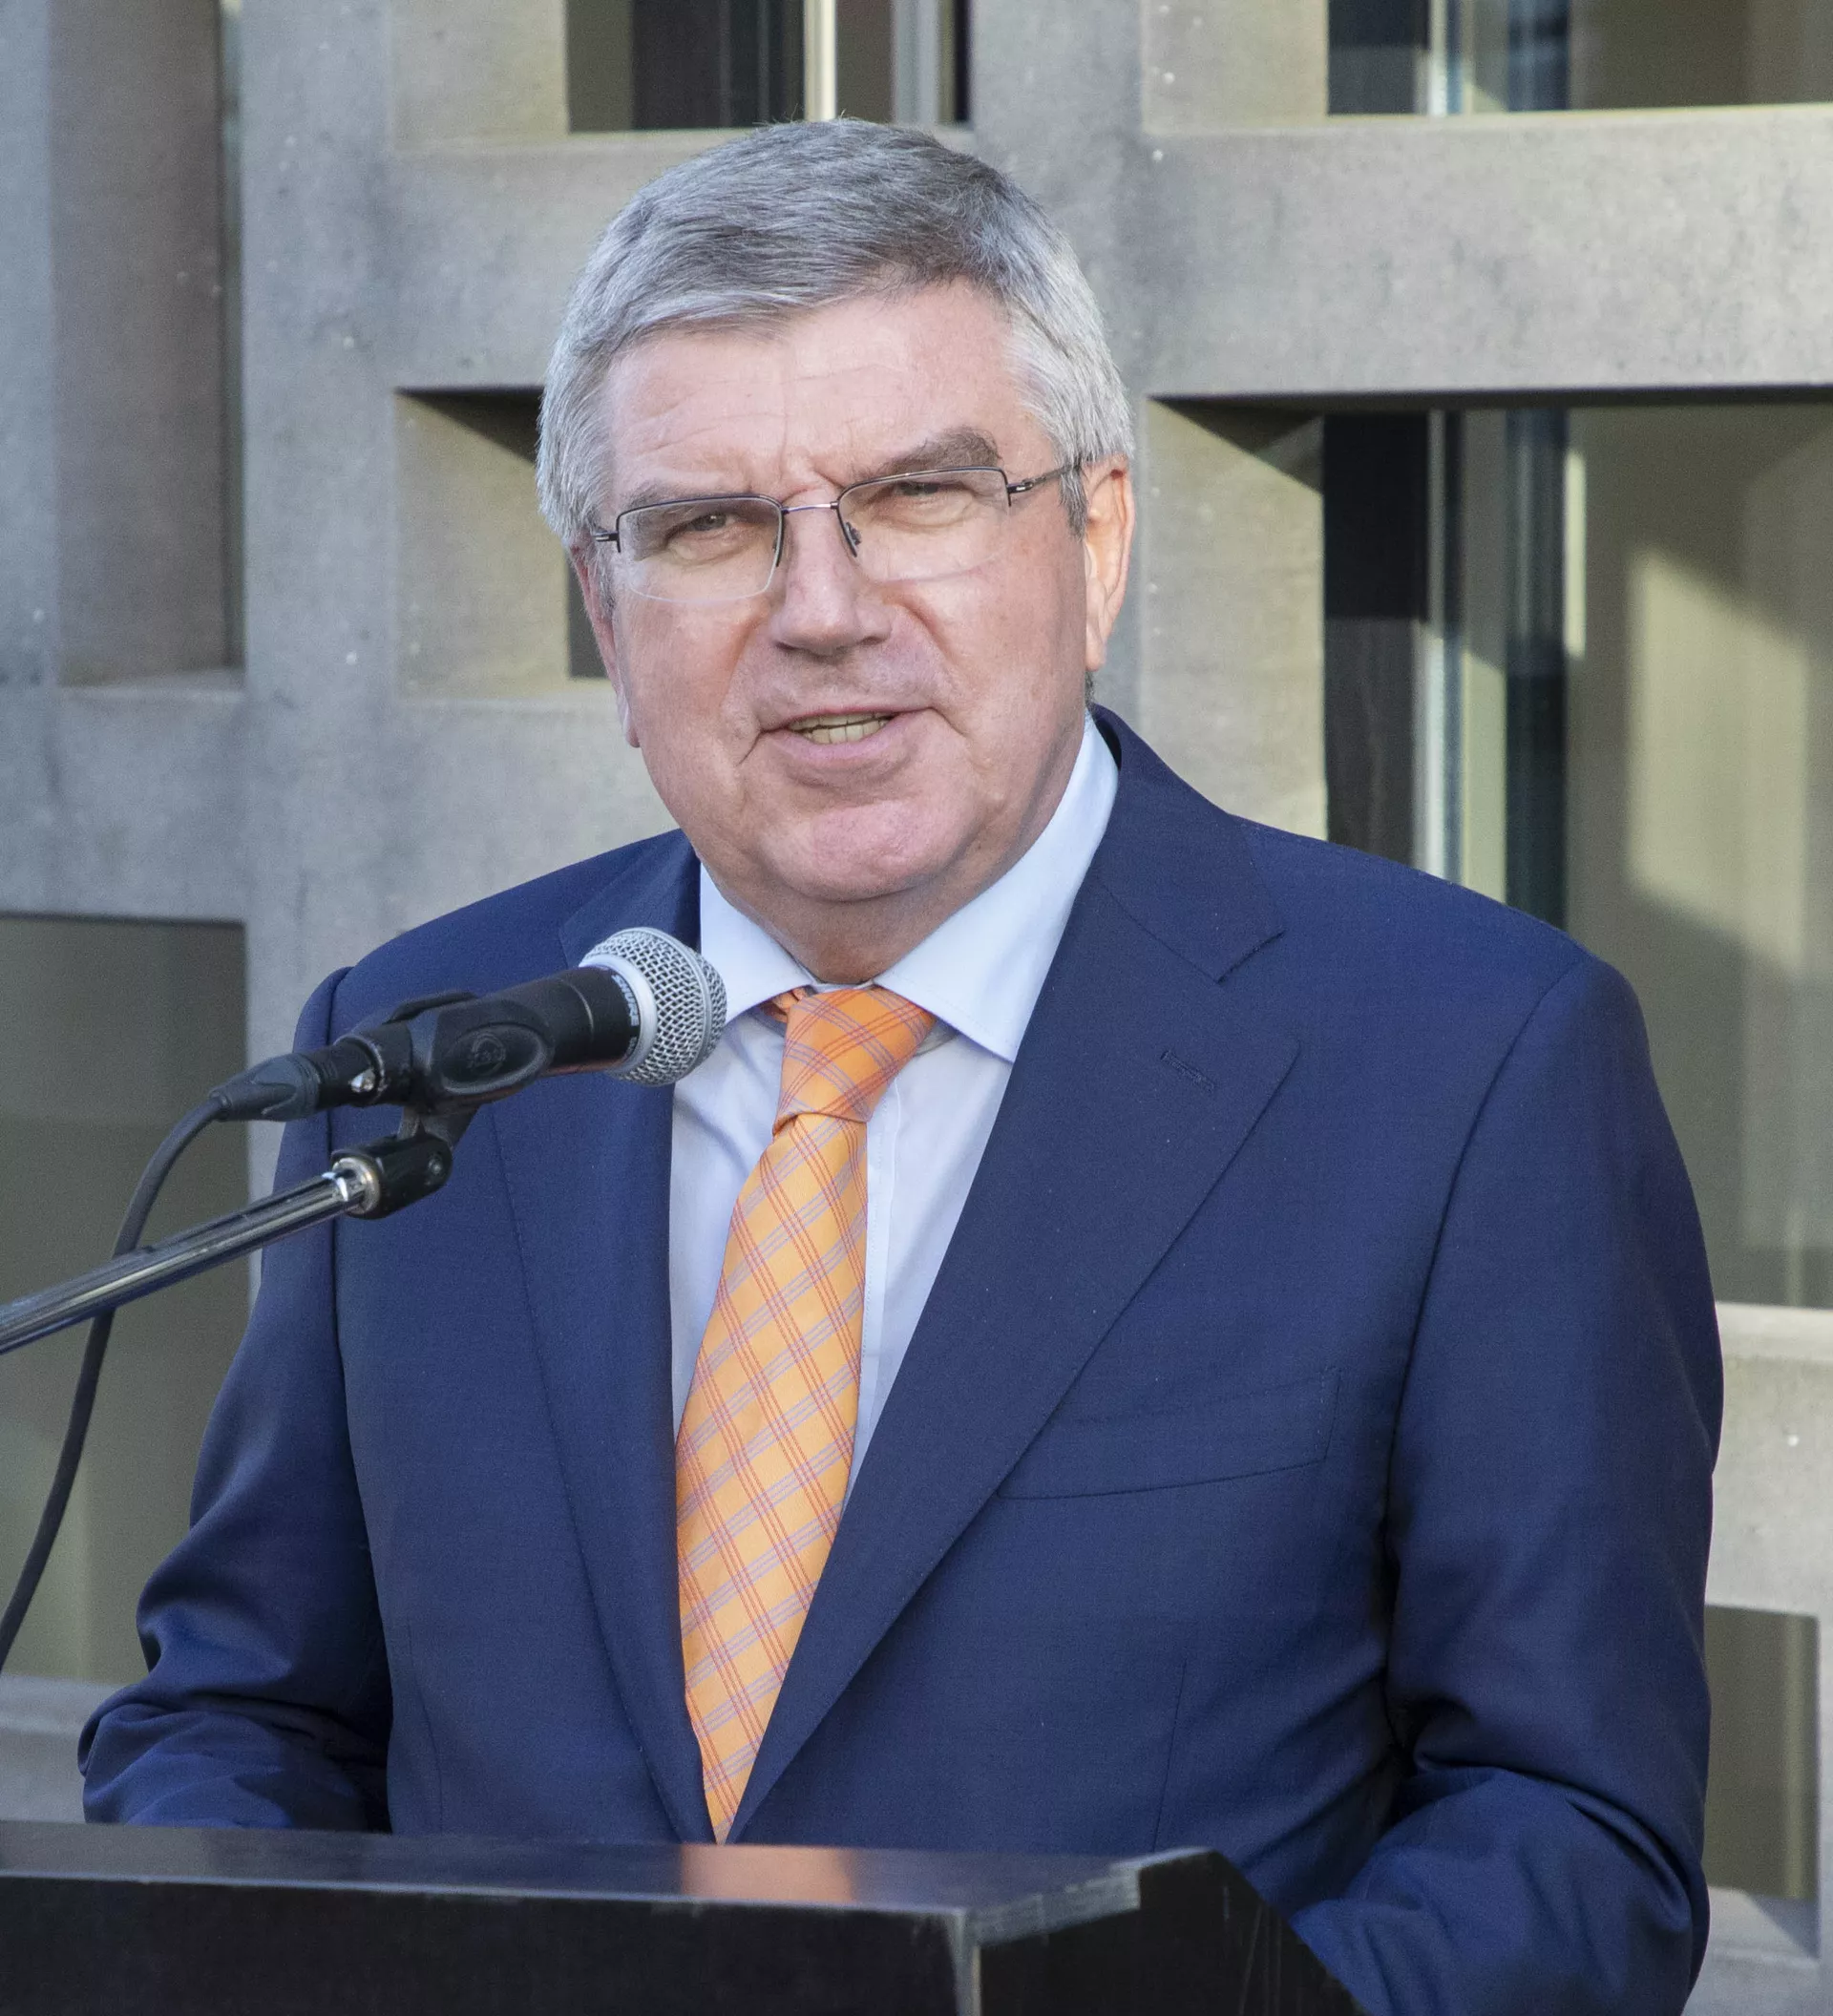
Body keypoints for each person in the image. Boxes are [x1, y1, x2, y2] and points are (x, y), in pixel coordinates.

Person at [82, 119, 1720, 2016]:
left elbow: (1568, 1840)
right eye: (708, 527)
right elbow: (245, 1719)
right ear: (606, 615)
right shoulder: (432, 1049)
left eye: (920, 495)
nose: (823, 609)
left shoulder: (1470, 1065)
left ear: (1096, 539)